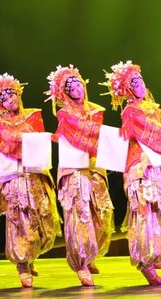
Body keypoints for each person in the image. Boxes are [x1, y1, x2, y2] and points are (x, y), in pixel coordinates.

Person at [103, 61, 161, 286]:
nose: (140, 85)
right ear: (127, 89)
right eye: (134, 82)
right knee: (145, 213)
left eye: (141, 80)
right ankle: (145, 262)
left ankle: (154, 252)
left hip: (156, 165)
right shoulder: (131, 112)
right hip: (140, 167)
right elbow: (154, 132)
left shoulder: (152, 107)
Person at [0, 73, 61, 288]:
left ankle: (31, 254)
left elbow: (38, 138)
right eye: (4, 99)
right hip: (16, 177)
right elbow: (6, 145)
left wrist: (24, 138)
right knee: (20, 220)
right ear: (0, 105)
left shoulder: (34, 114)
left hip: (35, 173)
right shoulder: (2, 123)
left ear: (18, 94)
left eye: (12, 95)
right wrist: (25, 139)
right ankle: (22, 264)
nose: (10, 101)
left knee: (43, 219)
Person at [46, 65, 114, 287]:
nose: (77, 89)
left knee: (102, 215)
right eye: (71, 87)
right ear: (64, 92)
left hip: (94, 167)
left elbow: (98, 135)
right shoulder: (65, 114)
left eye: (78, 84)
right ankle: (81, 264)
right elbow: (84, 134)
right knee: (81, 216)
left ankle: (91, 253)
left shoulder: (96, 110)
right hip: (74, 170)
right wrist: (110, 139)